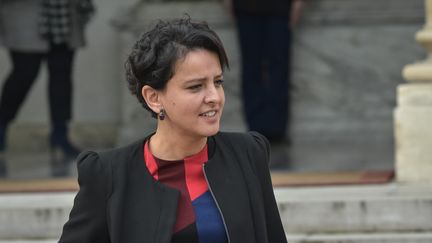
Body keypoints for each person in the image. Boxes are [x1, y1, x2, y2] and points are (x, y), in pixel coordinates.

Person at [58, 17, 287, 243]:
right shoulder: (108, 175)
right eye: (196, 86)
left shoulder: (248, 154)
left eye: (217, 82)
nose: (214, 97)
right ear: (154, 98)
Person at [0, 0, 95, 160]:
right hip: (24, 14)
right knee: (24, 73)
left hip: (64, 15)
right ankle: (1, 126)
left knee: (62, 76)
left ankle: (60, 134)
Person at [224, 0, 305, 143]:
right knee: (251, 66)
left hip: (280, 8)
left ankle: (277, 128)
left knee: (279, 67)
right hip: (246, 8)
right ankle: (255, 129)